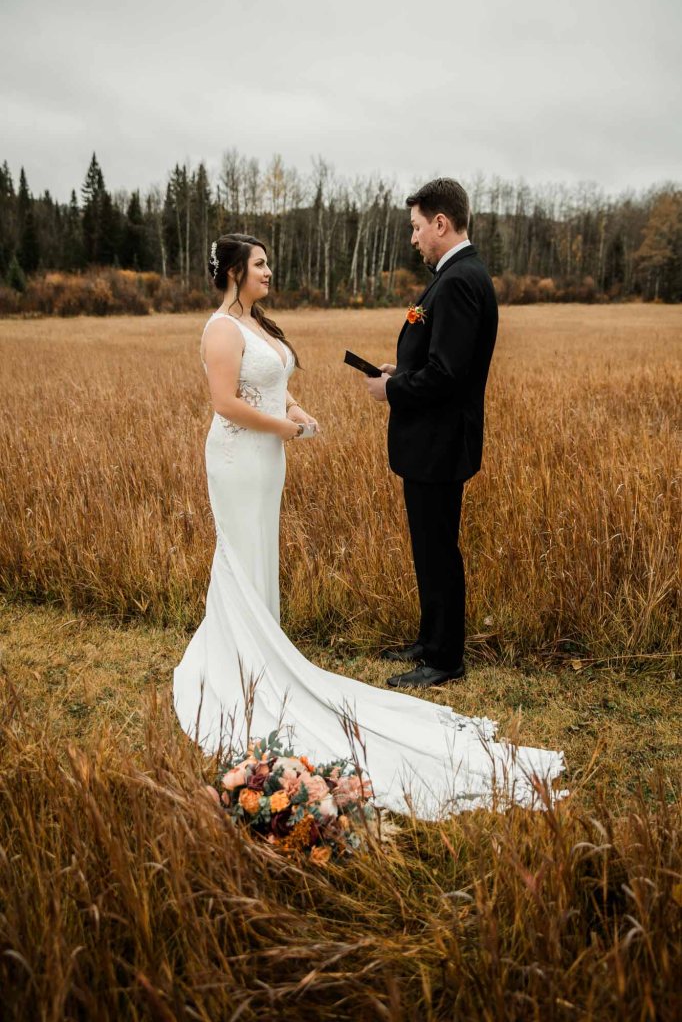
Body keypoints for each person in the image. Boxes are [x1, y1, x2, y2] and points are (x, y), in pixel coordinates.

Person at [173, 233, 566, 819]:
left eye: (267, 261)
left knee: (260, 550)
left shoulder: (257, 323)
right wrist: (283, 428)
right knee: (237, 550)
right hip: (236, 456)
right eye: (259, 263)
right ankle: (242, 659)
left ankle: (265, 646)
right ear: (233, 271)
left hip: (265, 459)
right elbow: (226, 402)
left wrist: (294, 410)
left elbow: (272, 386)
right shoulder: (222, 328)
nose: (269, 269)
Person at [365, 178, 497, 690]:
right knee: (429, 545)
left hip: (440, 443)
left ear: (441, 224)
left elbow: (447, 375)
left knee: (438, 548)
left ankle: (444, 658)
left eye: (417, 228)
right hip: (433, 442)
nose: (414, 238)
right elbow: (441, 360)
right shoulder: (456, 274)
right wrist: (399, 370)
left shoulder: (460, 280)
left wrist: (392, 391)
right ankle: (430, 639)